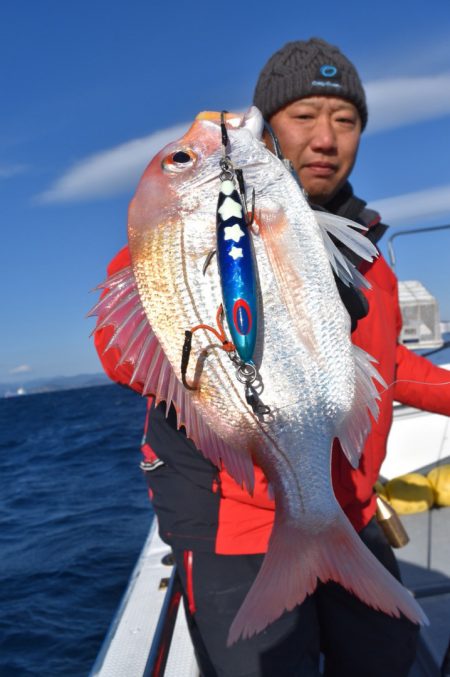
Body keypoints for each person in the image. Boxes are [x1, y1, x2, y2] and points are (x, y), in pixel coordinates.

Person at [94, 38, 450, 677]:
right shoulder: (192, 230)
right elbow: (123, 353)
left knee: (386, 660)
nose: (325, 138)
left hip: (347, 507)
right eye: (304, 116)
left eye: (345, 120)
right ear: (266, 131)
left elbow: (384, 364)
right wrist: (169, 254)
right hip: (236, 532)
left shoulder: (365, 251)